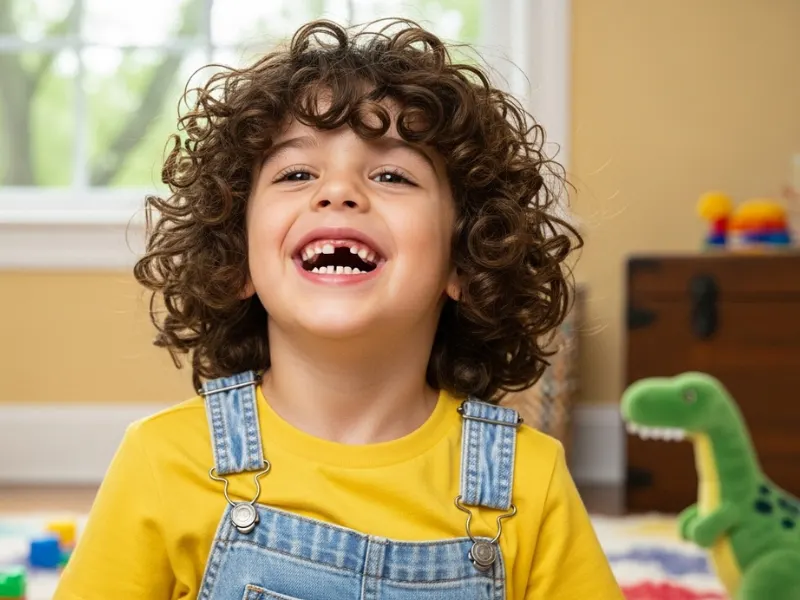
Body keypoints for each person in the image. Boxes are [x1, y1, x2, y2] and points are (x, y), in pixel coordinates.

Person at [55, 18, 623, 600]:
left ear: (466, 258)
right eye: (297, 172)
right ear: (239, 260)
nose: (338, 191)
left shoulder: (528, 479)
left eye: (392, 174)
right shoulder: (164, 461)